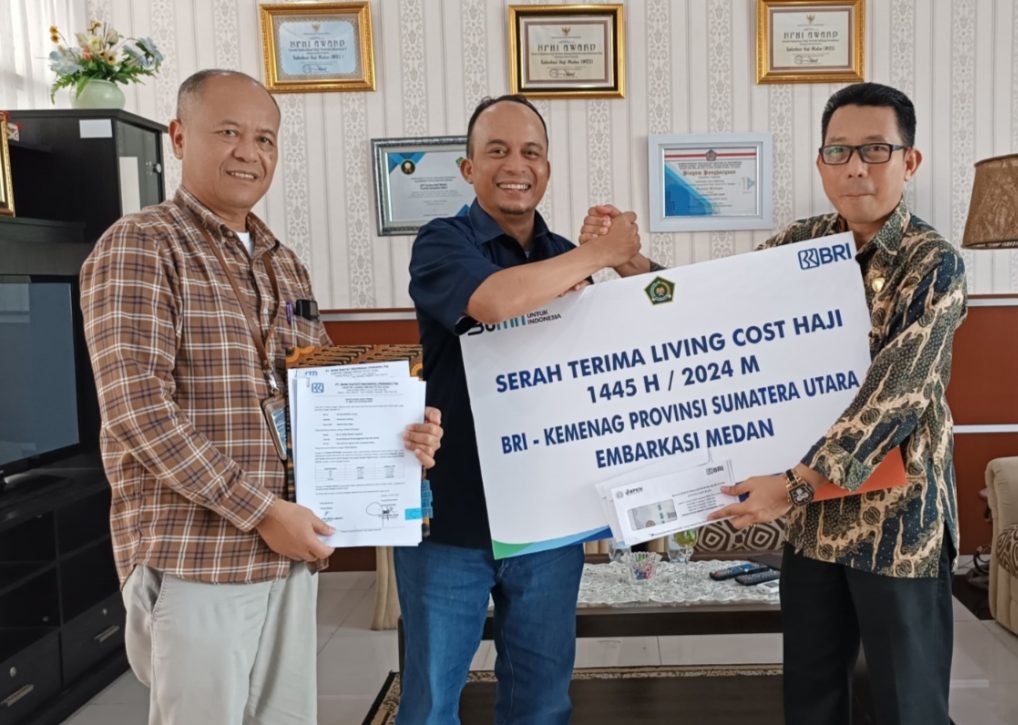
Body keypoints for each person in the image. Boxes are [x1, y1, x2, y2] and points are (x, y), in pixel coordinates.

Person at [584, 82, 966, 725]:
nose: (855, 167)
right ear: (821, 163)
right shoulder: (802, 244)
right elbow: (715, 312)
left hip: (900, 527)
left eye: (875, 149)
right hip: (814, 526)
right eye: (839, 151)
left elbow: (896, 395)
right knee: (812, 700)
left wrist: (790, 486)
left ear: (910, 161)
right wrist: (630, 264)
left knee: (908, 707)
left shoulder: (932, 263)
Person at [79, 69, 443, 725]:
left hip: (288, 554)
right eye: (228, 132)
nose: (249, 152)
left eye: (265, 138)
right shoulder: (141, 245)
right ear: (179, 137)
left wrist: (401, 428)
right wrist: (262, 510)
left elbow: (327, 392)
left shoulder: (283, 261)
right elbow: (138, 410)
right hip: (197, 557)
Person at [400, 94, 640, 724]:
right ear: (468, 168)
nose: (516, 165)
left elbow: (646, 330)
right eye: (497, 151)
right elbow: (493, 302)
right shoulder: (441, 241)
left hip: (546, 520)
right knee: (430, 704)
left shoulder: (562, 251)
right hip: (450, 515)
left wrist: (626, 257)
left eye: (531, 151)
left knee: (541, 701)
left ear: (547, 168)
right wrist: (597, 255)